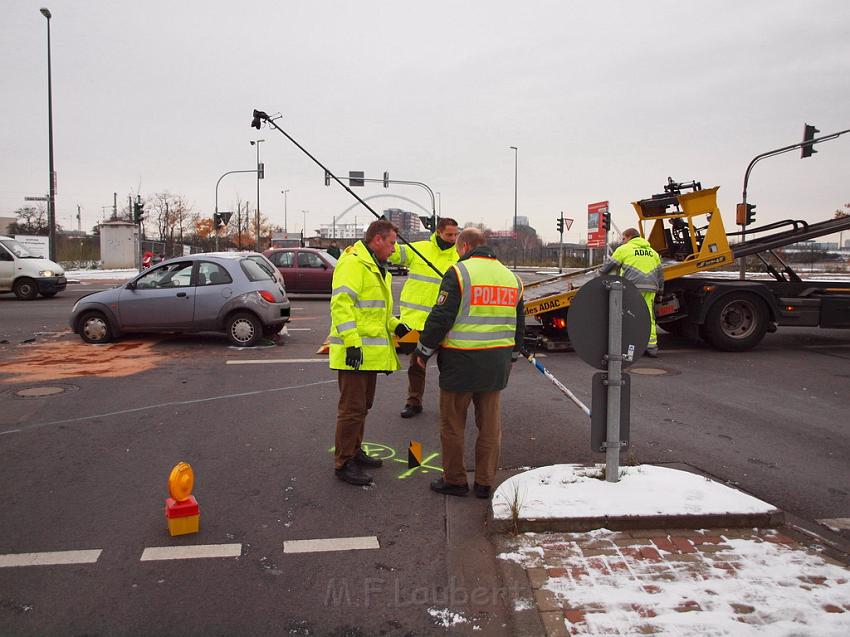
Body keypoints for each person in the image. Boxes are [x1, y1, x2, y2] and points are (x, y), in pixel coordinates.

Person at [411, 228, 524, 499]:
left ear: (463, 246)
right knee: (490, 427)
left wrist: (423, 351)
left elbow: (441, 317)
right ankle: (485, 483)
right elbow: (518, 325)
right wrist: (513, 355)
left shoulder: (459, 273)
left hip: (460, 364)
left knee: (452, 425)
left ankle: (456, 480)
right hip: (496, 364)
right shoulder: (512, 279)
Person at [329, 219, 411, 486]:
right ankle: (343, 463)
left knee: (362, 407)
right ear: (377, 240)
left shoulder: (378, 267)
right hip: (355, 352)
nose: (393, 249)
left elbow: (380, 315)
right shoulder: (353, 263)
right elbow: (341, 305)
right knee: (351, 410)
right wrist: (352, 342)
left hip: (368, 355)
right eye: (391, 243)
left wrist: (398, 326)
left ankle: (354, 450)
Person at [388, 217, 460, 418]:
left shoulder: (459, 256)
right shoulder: (419, 249)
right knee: (416, 365)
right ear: (438, 232)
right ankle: (413, 402)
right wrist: (388, 234)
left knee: (449, 366)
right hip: (416, 322)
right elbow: (393, 252)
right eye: (449, 234)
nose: (453, 238)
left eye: (456, 234)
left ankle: (450, 406)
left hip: (445, 323)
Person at [599, 227, 664, 357]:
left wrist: (599, 276)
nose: (623, 241)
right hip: (651, 288)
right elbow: (660, 275)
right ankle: (651, 347)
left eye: (623, 239)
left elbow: (608, 267)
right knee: (648, 316)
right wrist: (661, 291)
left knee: (628, 315)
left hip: (631, 288)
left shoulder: (624, 249)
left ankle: (630, 346)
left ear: (629, 237)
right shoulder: (653, 253)